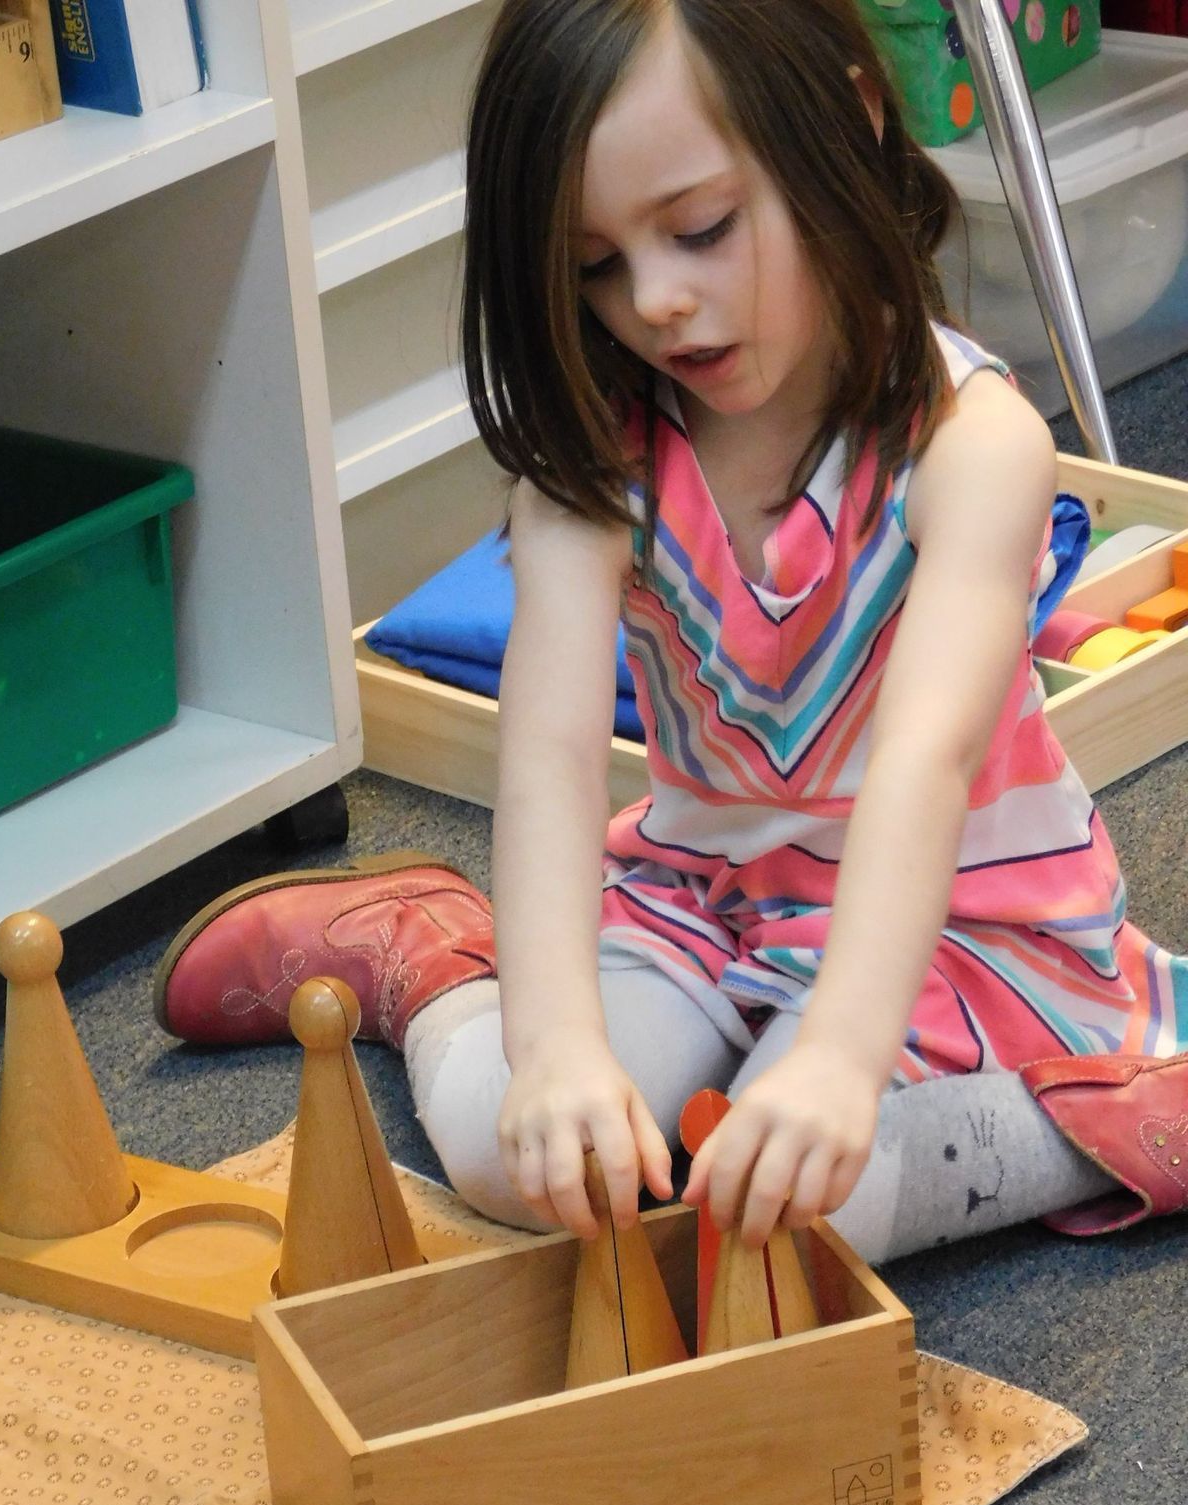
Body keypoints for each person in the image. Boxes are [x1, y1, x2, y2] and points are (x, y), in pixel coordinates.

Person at [153, 0, 1188, 1264]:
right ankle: (427, 957)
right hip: (707, 898)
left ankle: (1130, 1096)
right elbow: (548, 760)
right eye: (596, 262)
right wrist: (556, 1050)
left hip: (965, 928)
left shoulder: (976, 448)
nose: (657, 303)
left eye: (701, 228)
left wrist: (840, 1062)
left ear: (849, 120)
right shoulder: (595, 474)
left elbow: (923, 768)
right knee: (516, 1151)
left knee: (796, 1217)